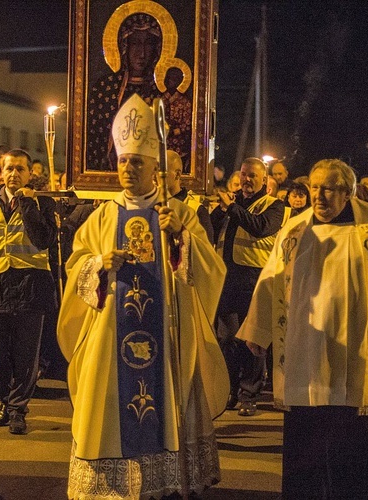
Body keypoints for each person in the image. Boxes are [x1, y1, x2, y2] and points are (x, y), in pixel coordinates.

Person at [58, 94, 228, 499]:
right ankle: (110, 481)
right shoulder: (101, 215)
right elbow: (76, 266)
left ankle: (168, 477)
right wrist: (100, 263)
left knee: (168, 393)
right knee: (109, 399)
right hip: (110, 333)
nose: (128, 169)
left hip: (166, 330)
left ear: (156, 167)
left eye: (137, 162)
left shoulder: (178, 213)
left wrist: (180, 238)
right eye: (123, 161)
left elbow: (209, 271)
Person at [237, 159, 368, 499]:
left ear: (348, 191)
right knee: (306, 440)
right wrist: (258, 330)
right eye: (314, 187)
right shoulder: (294, 230)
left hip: (358, 350)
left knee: (352, 441)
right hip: (304, 352)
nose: (319, 196)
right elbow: (270, 280)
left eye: (328, 188)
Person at [0, 149, 57, 435]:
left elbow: (44, 240)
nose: (14, 174)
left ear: (29, 173)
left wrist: (28, 204)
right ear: (1, 169)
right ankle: (4, 400)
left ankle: (17, 409)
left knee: (26, 354)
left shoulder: (41, 202)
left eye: (20, 169)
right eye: (10, 168)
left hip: (29, 284)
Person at [211, 156, 286, 416]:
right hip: (228, 280)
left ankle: (249, 394)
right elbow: (211, 231)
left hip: (255, 281)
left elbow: (260, 228)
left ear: (264, 180)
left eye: (253, 175)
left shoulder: (275, 206)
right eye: (243, 174)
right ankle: (229, 389)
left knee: (254, 340)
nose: (246, 179)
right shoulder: (233, 205)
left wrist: (231, 209)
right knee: (227, 339)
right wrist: (218, 211)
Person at [86, 13, 164, 171]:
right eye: (135, 43)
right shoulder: (105, 88)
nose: (141, 53)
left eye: (148, 44)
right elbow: (96, 139)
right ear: (123, 46)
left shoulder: (161, 91)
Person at [165, 149, 214, 243]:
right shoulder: (151, 205)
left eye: (162, 171)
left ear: (177, 175)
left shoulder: (196, 209)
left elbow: (206, 250)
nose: (155, 176)